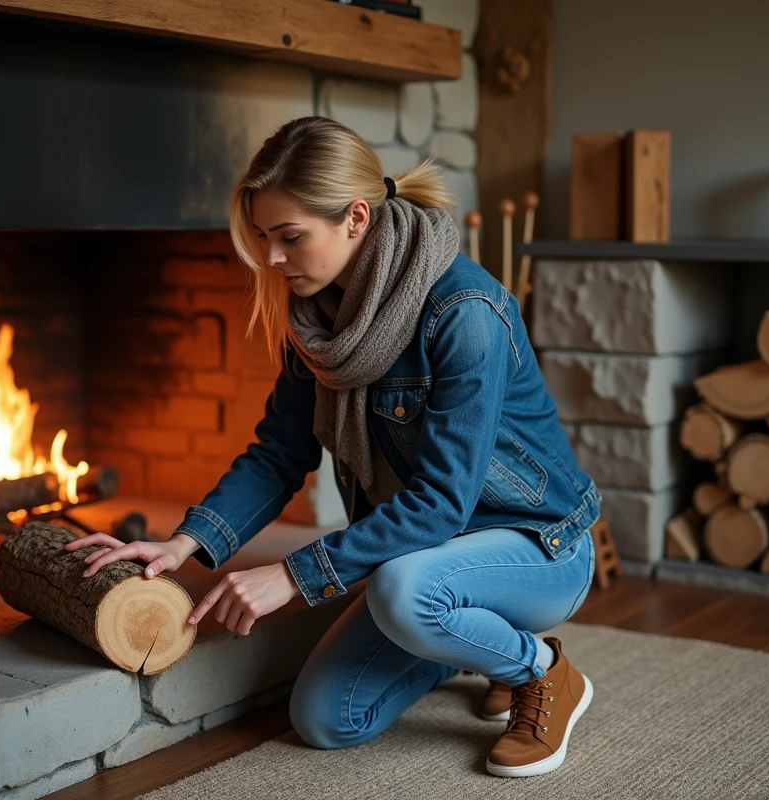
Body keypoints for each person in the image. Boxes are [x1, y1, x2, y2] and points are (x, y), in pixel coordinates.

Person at [65, 116, 601, 778]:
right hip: (430, 559)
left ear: (355, 218)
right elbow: (279, 454)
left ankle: (540, 670)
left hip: (538, 547)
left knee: (402, 589)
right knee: (327, 717)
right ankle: (473, 645)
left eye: (290, 237)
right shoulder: (319, 324)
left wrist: (292, 574)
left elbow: (441, 505)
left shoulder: (464, 310)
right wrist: (183, 543)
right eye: (263, 236)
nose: (271, 258)